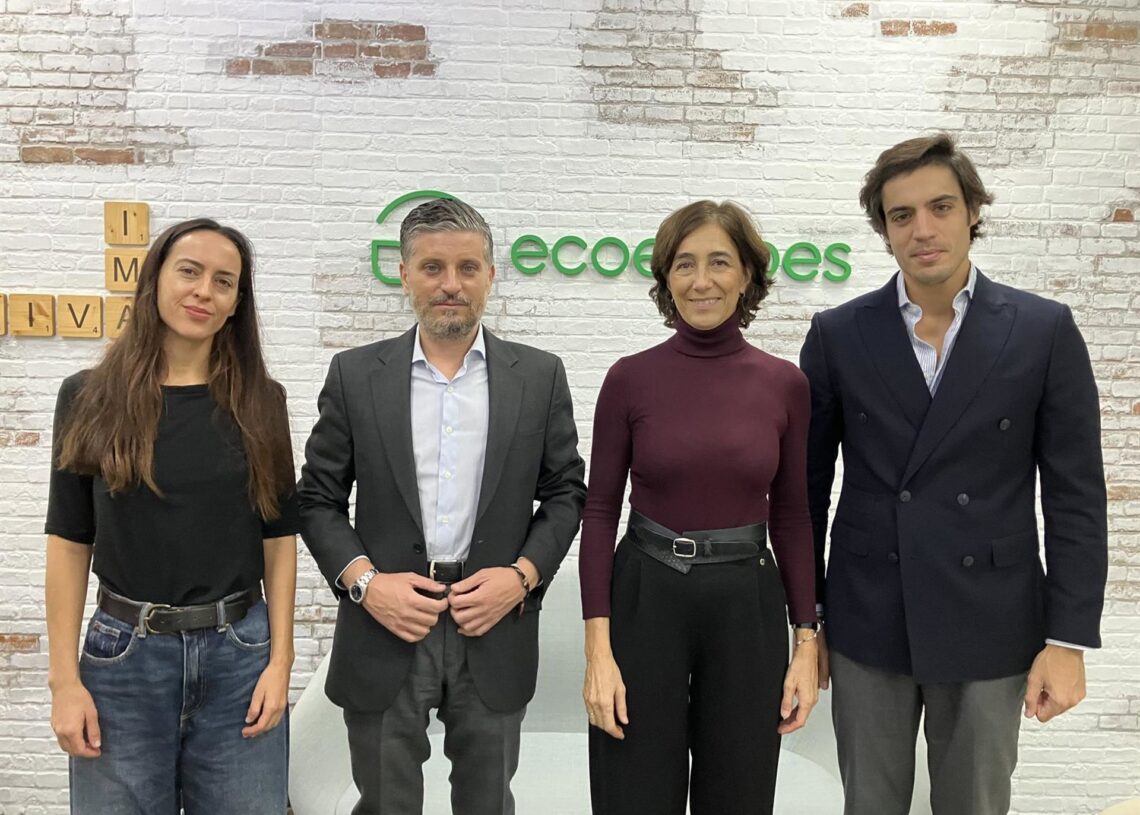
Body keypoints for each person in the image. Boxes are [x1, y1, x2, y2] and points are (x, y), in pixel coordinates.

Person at [800, 133, 1108, 815]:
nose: (923, 229)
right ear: (884, 231)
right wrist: (806, 622)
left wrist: (1068, 638)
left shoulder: (1042, 330)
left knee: (974, 804)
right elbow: (803, 496)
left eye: (940, 206)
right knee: (870, 804)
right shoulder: (838, 334)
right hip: (868, 614)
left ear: (972, 211)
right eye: (901, 215)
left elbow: (1076, 496)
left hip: (993, 616)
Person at [297, 197, 586, 815]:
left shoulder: (539, 377)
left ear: (490, 274)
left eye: (467, 268)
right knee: (385, 803)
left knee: (487, 803)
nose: (450, 285)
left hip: (493, 623)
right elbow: (317, 499)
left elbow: (566, 492)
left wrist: (522, 577)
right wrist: (366, 584)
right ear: (403, 274)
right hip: (385, 625)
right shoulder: (355, 375)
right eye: (432, 268)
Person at [45, 218, 299, 814]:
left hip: (240, 657)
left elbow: (279, 537)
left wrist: (280, 663)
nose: (203, 292)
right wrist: (64, 681)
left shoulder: (262, 402)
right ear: (155, 279)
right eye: (189, 271)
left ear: (238, 303)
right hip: (123, 662)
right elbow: (68, 540)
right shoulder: (87, 397)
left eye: (224, 281)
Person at [580, 200, 820, 815]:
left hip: (747, 603)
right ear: (665, 279)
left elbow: (792, 515)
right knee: (632, 789)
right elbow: (601, 510)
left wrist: (807, 639)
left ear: (747, 275)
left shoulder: (783, 384)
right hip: (646, 597)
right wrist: (598, 654)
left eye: (719, 262)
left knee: (739, 793)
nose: (701, 280)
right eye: (684, 264)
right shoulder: (629, 379)